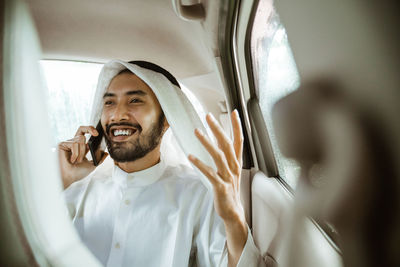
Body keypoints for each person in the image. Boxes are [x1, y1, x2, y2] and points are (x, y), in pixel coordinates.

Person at [58, 60, 262, 267]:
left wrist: (234, 218)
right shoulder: (78, 189)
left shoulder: (198, 195)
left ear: (167, 120)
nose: (117, 115)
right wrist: (63, 180)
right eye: (109, 102)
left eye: (135, 100)